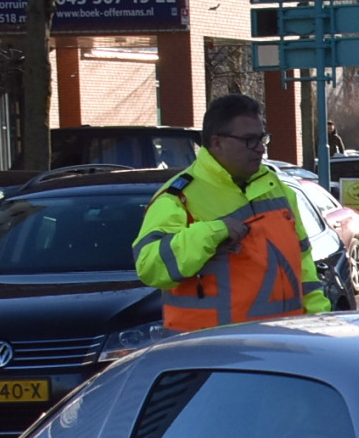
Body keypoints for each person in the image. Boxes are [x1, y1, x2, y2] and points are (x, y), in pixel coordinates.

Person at [132, 92, 330, 332]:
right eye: (249, 140)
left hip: (282, 344)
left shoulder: (274, 187)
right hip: (211, 353)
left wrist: (319, 320)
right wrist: (211, 233)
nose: (260, 149)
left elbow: (303, 261)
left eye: (262, 139)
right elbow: (150, 266)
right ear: (217, 143)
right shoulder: (179, 196)